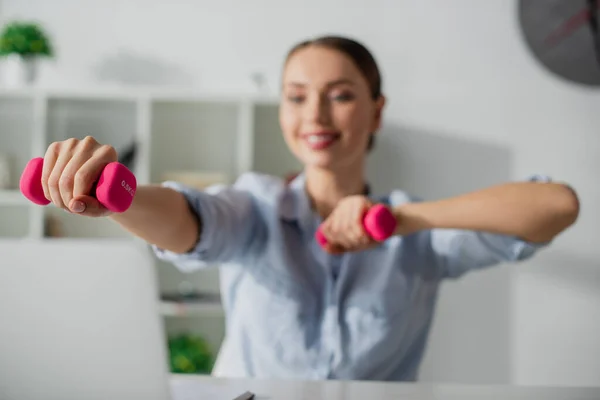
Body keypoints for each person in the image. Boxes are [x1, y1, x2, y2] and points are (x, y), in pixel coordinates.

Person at [38, 35, 579, 381]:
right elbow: (191, 222)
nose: (315, 114)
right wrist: (118, 197)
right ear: (282, 111)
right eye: (296, 96)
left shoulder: (416, 234)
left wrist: (402, 221)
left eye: (340, 94)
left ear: (377, 110)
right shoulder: (257, 207)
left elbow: (555, 205)